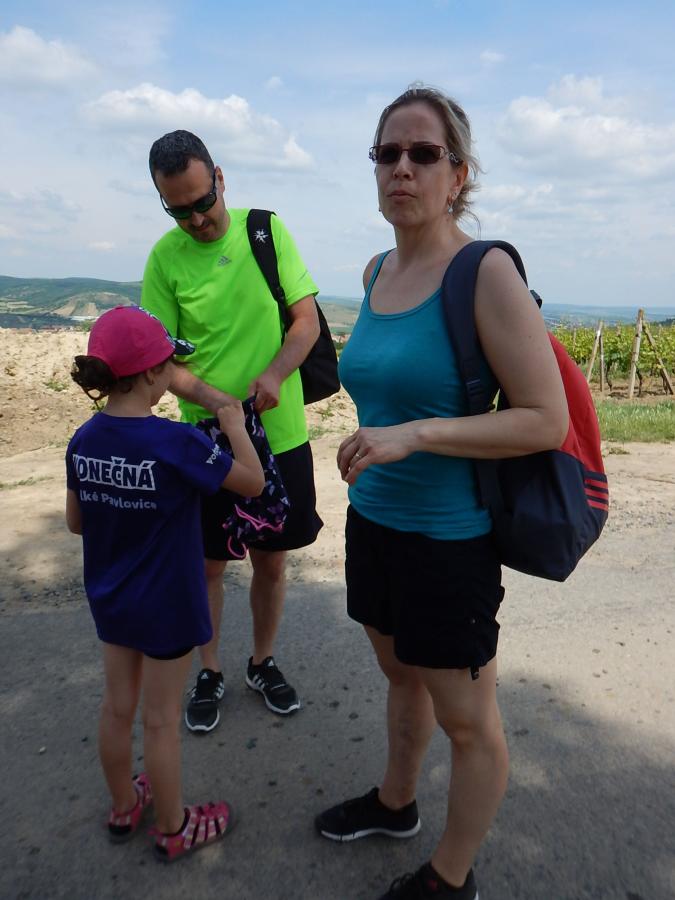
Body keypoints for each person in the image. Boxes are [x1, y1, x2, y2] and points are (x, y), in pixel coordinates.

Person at [315, 86, 569, 900]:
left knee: (467, 721)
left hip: (447, 538)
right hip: (374, 523)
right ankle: (395, 804)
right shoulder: (375, 270)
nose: (402, 167)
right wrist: (378, 436)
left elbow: (544, 420)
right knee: (400, 675)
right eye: (386, 153)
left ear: (457, 174)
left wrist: (416, 434)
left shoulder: (483, 272)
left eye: (423, 153)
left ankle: (450, 878)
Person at [65, 305, 265, 861]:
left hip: (112, 599)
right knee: (159, 721)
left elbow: (76, 522)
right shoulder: (177, 443)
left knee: (116, 708)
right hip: (168, 604)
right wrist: (233, 428)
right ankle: (175, 827)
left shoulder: (83, 439)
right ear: (154, 373)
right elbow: (251, 483)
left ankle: (124, 805)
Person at [141, 130, 323, 732]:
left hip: (282, 433)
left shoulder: (265, 231)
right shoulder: (164, 258)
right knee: (208, 566)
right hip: (206, 444)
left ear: (220, 178)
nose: (196, 219)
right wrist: (220, 404)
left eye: (203, 201)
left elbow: (304, 322)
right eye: (179, 210)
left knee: (272, 561)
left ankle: (262, 662)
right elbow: (162, 363)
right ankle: (211, 669)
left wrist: (275, 374)